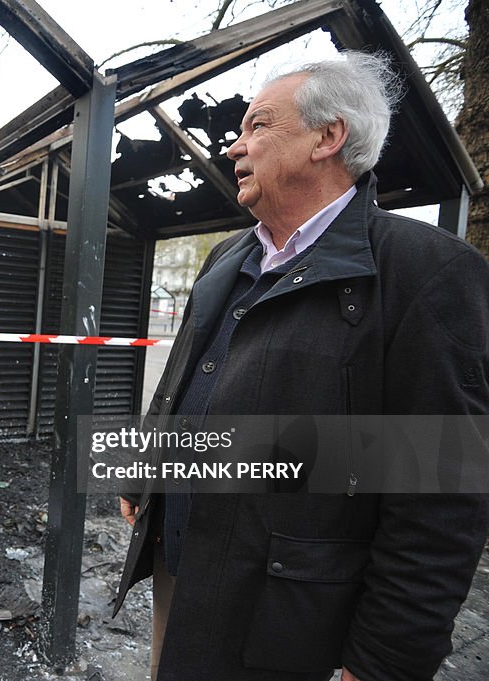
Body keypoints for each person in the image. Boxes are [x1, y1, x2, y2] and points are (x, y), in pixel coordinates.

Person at [114, 50, 489, 681]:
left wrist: (383, 662)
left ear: (329, 137)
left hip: (289, 617)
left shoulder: (428, 273)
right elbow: (187, 375)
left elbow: (442, 500)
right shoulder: (228, 259)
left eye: (258, 126)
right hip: (183, 565)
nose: (236, 148)